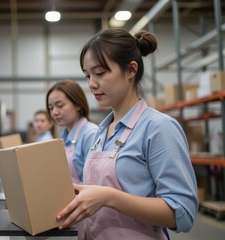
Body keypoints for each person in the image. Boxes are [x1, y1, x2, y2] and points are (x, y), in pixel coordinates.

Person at [56, 29, 198, 240]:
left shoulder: (158, 128)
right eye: (88, 75)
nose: (91, 84)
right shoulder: (100, 133)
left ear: (131, 70)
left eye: (100, 73)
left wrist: (108, 197)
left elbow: (182, 213)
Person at [46, 79, 98, 184]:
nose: (54, 112)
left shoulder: (90, 134)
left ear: (77, 105)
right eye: (51, 108)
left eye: (60, 105)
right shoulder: (63, 137)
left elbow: (93, 181)